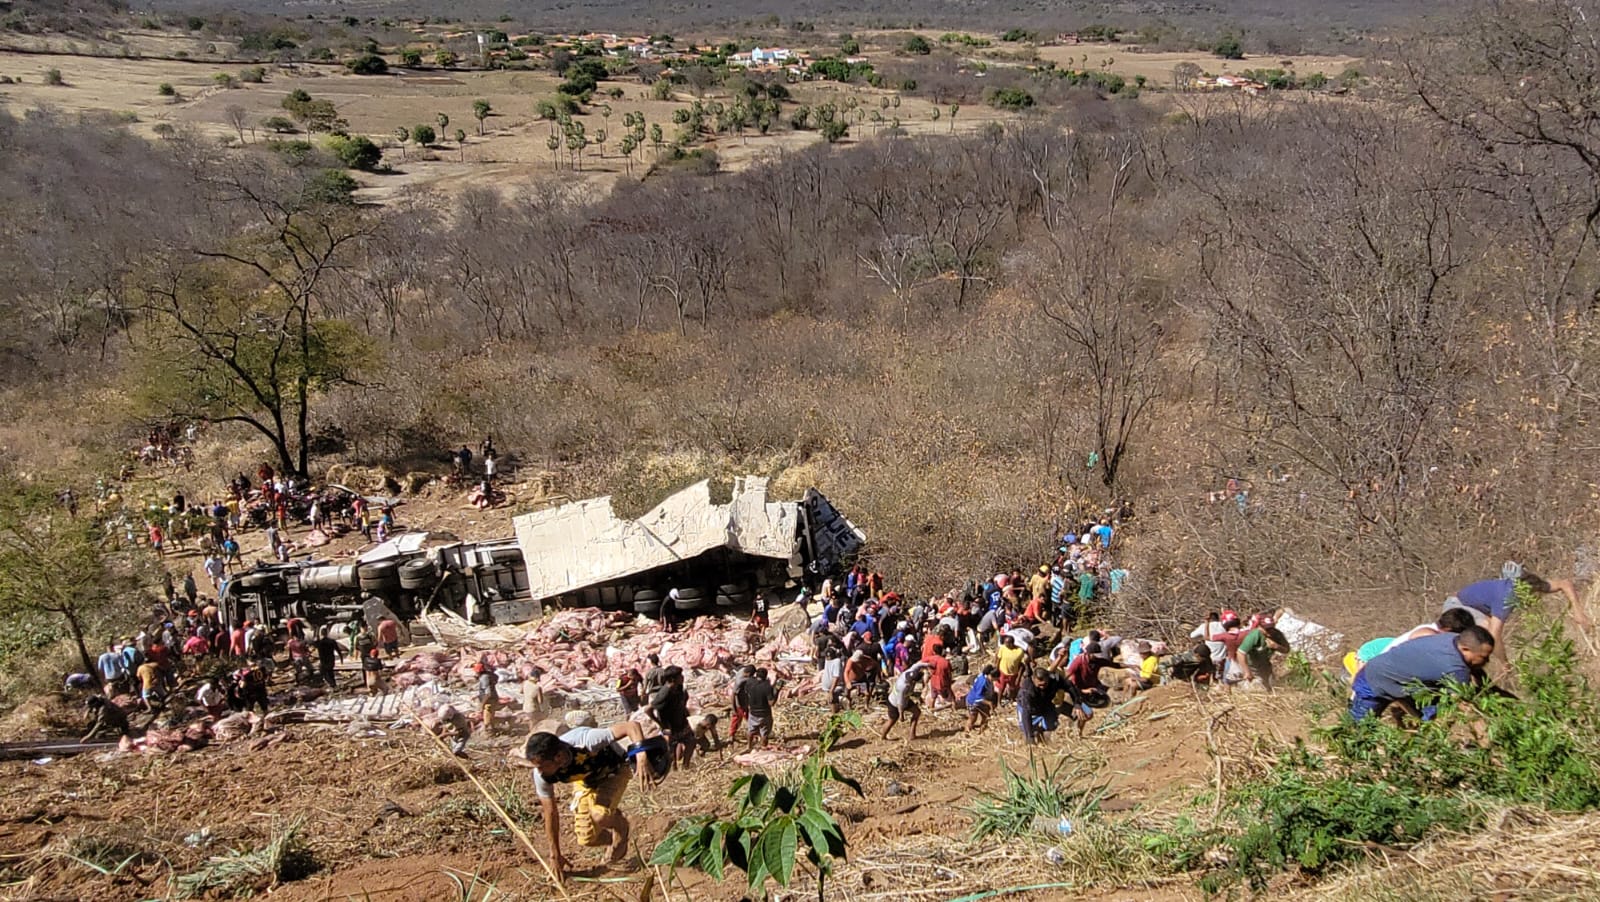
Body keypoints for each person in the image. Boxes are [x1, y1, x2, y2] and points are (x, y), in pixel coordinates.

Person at [523, 720, 652, 882]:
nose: (539, 771)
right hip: (586, 781)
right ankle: (613, 832)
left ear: (559, 757)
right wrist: (555, 855)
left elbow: (631, 726)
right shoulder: (541, 775)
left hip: (614, 772)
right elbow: (550, 812)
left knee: (599, 815)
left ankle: (621, 826)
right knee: (587, 838)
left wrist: (641, 754)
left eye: (542, 766)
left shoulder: (586, 741)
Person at [1444, 569, 1587, 667]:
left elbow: (1565, 584)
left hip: (1475, 608)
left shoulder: (1534, 585)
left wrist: (1578, 610)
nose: (1537, 600)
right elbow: (1494, 635)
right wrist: (1504, 662)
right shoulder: (1507, 598)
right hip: (1457, 607)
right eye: (1535, 597)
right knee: (1484, 634)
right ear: (1525, 594)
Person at [1350, 627, 1494, 722]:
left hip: (1400, 680)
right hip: (1373, 679)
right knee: (1360, 729)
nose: (1486, 661)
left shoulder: (1452, 638)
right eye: (1482, 657)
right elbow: (1463, 703)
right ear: (1465, 648)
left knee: (1429, 713)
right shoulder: (1455, 668)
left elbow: (1475, 669)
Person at [644, 666, 694, 765]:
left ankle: (686, 765)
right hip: (670, 726)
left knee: (691, 742)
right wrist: (660, 724)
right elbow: (648, 710)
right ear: (672, 679)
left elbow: (683, 699)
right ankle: (674, 769)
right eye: (680, 676)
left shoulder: (679, 687)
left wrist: (683, 710)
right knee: (672, 751)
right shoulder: (664, 693)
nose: (682, 677)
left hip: (681, 723)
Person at [881, 662, 929, 740]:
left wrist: (928, 665)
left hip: (905, 700)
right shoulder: (903, 687)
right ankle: (883, 737)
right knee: (892, 720)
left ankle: (912, 735)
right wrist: (901, 715)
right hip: (894, 703)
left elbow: (916, 665)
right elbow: (900, 703)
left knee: (917, 712)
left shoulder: (909, 672)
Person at [738, 668, 779, 750]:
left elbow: (746, 692)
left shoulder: (749, 682)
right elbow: (771, 703)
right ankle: (763, 747)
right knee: (764, 732)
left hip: (753, 712)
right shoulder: (767, 686)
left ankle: (749, 746)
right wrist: (777, 691)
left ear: (756, 675)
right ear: (766, 676)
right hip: (764, 713)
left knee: (751, 730)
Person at [965, 664, 998, 732]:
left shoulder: (983, 676)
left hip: (981, 701)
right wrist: (989, 703)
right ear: (992, 676)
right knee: (973, 718)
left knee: (985, 716)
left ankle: (982, 730)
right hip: (973, 701)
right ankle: (967, 731)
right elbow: (978, 697)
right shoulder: (983, 682)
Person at [995, 634, 1026, 700]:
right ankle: (999, 702)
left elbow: (1022, 665)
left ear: (1011, 643)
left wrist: (1019, 677)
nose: (1005, 644)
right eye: (1005, 642)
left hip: (1013, 674)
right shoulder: (1003, 648)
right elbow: (998, 659)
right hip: (1003, 672)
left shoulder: (1019, 651)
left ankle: (1012, 698)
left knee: (1013, 687)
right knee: (1001, 687)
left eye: (1007, 643)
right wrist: (996, 670)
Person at [475, 661, 502, 733]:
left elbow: (488, 694)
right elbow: (496, 677)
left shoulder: (484, 678)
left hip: (489, 701)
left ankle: (490, 733)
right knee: (490, 717)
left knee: (487, 720)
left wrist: (482, 704)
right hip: (492, 698)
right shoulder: (489, 675)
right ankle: (493, 730)